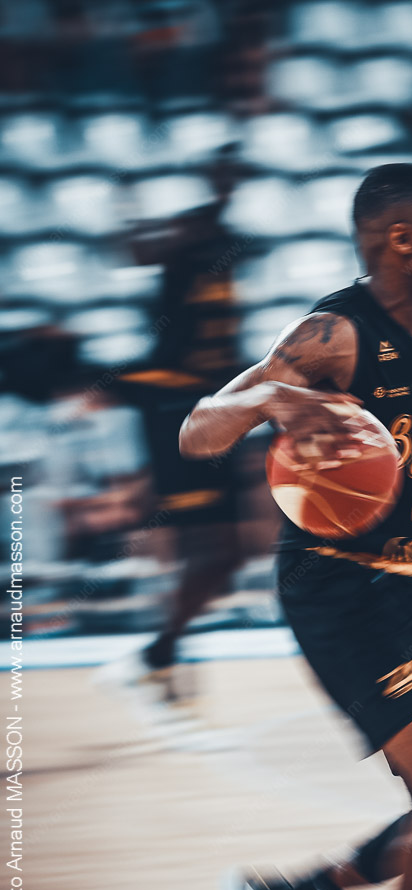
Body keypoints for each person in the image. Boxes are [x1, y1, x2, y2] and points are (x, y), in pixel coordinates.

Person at [179, 163, 412, 890]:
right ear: (401, 239)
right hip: (337, 585)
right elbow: (197, 431)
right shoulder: (333, 334)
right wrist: (268, 399)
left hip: (411, 579)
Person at [100, 145, 248, 727]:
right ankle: (160, 663)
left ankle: (160, 656)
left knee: (223, 555)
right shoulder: (186, 244)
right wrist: (131, 202)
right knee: (206, 550)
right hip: (175, 408)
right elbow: (142, 247)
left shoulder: (221, 239)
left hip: (215, 404)